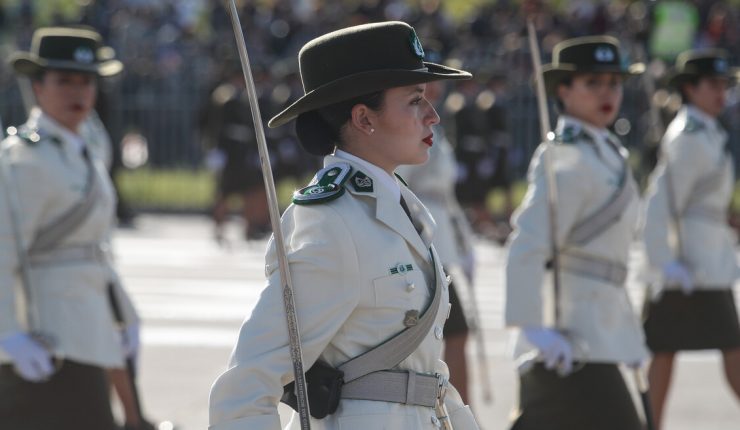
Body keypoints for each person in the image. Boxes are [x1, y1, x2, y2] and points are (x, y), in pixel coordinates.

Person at [209, 21, 479, 429]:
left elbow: (425, 374)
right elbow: (247, 386)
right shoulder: (331, 221)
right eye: (414, 101)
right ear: (364, 119)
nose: (434, 116)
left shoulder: (400, 208)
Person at [505, 36, 649, 429]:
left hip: (600, 332)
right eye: (593, 83)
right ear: (562, 91)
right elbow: (528, 244)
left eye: (614, 83)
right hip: (566, 337)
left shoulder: (608, 151)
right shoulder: (563, 155)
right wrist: (532, 327)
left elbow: (611, 260)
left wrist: (629, 335)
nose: (608, 93)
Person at [0, 27, 140, 429]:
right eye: (64, 81)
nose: (77, 92)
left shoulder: (87, 151)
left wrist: (127, 316)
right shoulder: (23, 159)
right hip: (43, 341)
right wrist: (7, 335)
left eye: (86, 81)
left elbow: (95, 248)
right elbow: (4, 249)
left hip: (90, 333)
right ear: (38, 87)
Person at [641, 49, 740, 429]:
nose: (722, 93)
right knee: (669, 351)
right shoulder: (688, 136)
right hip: (688, 264)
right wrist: (664, 262)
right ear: (690, 88)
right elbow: (660, 204)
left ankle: (651, 423)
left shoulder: (709, 130)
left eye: (724, 85)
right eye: (713, 85)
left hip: (708, 260)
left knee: (669, 351)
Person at [396, 78, 476, 404]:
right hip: (423, 245)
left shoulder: (435, 130)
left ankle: (460, 410)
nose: (436, 89)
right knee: (452, 333)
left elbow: (450, 198)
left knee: (457, 333)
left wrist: (466, 246)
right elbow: (401, 190)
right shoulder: (406, 131)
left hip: (442, 240)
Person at [200, 63, 270, 244]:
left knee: (249, 192)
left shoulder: (241, 96)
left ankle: (248, 229)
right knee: (225, 193)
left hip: (243, 153)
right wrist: (215, 148)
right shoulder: (225, 97)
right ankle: (219, 229)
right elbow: (215, 125)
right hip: (230, 152)